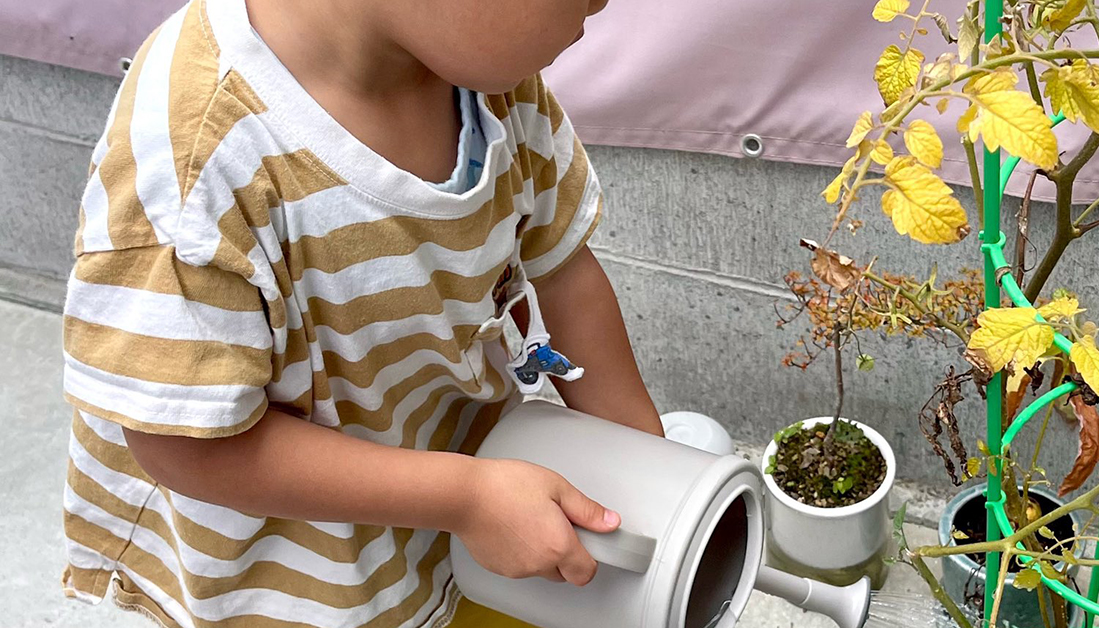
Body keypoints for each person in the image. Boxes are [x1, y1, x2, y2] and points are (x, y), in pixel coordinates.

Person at [59, 0, 663, 626]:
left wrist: (653, 471)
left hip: (468, 496)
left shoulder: (488, 83)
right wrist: (465, 498)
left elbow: (562, 270)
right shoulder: (195, 167)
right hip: (294, 576)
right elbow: (185, 447)